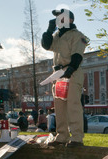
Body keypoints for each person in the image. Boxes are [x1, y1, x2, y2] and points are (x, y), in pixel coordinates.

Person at [41, 8, 89, 147]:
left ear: (70, 20)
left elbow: (77, 55)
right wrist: (49, 31)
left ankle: (76, 137)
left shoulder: (77, 35)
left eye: (61, 18)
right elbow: (46, 45)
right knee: (59, 106)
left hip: (71, 72)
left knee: (73, 105)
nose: (58, 21)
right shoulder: (57, 35)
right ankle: (61, 135)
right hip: (59, 74)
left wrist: (71, 68)